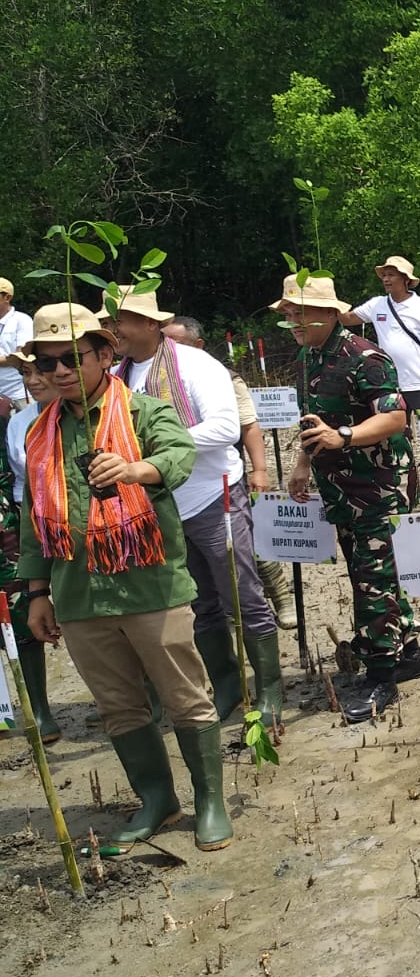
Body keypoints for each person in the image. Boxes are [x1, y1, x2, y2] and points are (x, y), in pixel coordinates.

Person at [18, 304, 232, 849]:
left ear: (105, 354)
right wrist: (37, 592)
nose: (60, 371)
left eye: (72, 358)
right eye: (48, 363)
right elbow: (33, 517)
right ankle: (157, 800)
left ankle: (210, 802)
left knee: (185, 696)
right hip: (78, 593)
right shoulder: (39, 435)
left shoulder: (143, 412)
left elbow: (178, 452)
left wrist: (137, 469)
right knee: (117, 706)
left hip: (150, 586)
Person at [99, 289, 282, 722]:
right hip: (161, 504)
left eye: (119, 321)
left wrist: (152, 454)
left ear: (150, 325)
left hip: (212, 495)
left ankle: (270, 689)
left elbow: (224, 427)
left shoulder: (196, 365)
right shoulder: (117, 375)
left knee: (241, 593)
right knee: (198, 601)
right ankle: (225, 684)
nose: (113, 331)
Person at [275, 274, 420, 722]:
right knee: (374, 572)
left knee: (372, 579)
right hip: (339, 486)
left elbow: (396, 417)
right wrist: (304, 463)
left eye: (300, 313)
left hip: (379, 485)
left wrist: (345, 436)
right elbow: (312, 420)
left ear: (328, 314)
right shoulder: (309, 358)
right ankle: (407, 652)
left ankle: (382, 677)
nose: (292, 322)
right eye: (287, 315)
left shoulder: (365, 357)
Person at [163, 317, 298, 631]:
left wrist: (260, 470)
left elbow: (248, 425)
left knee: (247, 545)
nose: (168, 350)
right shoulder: (152, 380)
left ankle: (281, 598)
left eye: (176, 343)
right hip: (179, 484)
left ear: (197, 346)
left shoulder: (221, 376)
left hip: (224, 477)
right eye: (165, 342)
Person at [339, 256, 420, 494]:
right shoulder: (376, 305)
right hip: (389, 385)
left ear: (405, 279)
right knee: (394, 437)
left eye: (391, 274)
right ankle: (402, 483)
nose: (386, 279)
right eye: (384, 275)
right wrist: (329, 304)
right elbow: (347, 319)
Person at [1, 352, 60, 741]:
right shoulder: (18, 422)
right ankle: (22, 709)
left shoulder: (4, 420)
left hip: (33, 518)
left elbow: (10, 478)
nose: (33, 380)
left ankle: (39, 709)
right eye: (25, 373)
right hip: (27, 515)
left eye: (39, 371)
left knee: (22, 606)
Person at [0, 279, 32, 418]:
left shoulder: (21, 320)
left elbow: (21, 355)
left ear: (7, 297)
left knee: (25, 435)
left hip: (18, 393)